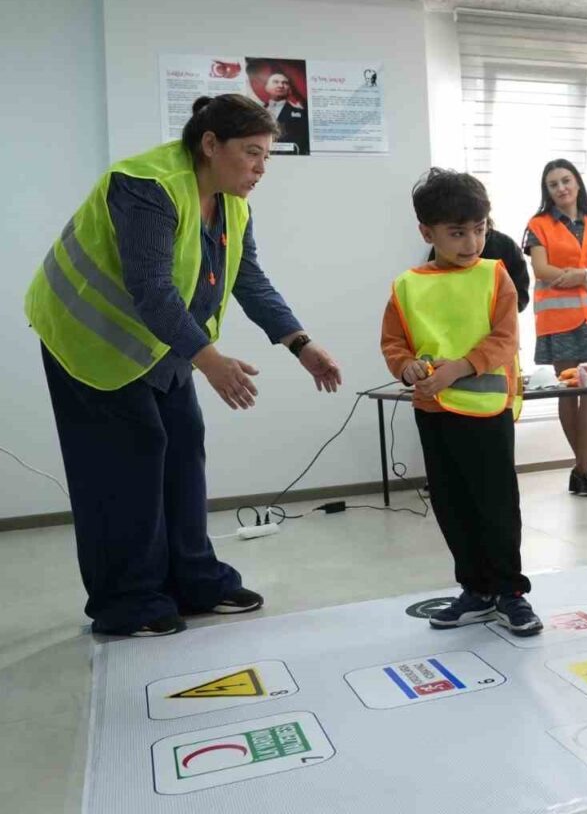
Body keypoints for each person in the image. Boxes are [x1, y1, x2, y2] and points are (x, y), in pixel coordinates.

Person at [25, 94, 342, 637]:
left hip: (162, 345)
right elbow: (151, 289)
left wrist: (299, 342)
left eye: (267, 156)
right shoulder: (145, 186)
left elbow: (248, 279)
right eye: (252, 154)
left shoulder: (233, 202)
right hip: (89, 339)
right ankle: (128, 600)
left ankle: (195, 580)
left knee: (183, 445)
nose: (261, 168)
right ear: (210, 144)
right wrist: (211, 360)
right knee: (126, 463)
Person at [380, 168, 541, 635]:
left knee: (496, 502)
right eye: (457, 233)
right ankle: (476, 590)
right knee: (452, 503)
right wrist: (405, 366)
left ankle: (511, 592)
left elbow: (504, 340)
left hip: (488, 412)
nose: (471, 242)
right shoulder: (407, 285)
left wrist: (458, 367)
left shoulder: (497, 276)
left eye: (479, 229)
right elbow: (395, 344)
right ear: (427, 233)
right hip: (433, 411)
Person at [524, 159, 587, 497]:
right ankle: (584, 468)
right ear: (547, 191)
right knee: (569, 391)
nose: (561, 188)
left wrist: (583, 276)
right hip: (560, 321)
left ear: (577, 183)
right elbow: (541, 269)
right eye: (553, 184)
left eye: (566, 180)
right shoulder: (538, 224)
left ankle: (582, 468)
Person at [430, 216, 530, 312]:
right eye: (458, 233)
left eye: (478, 230)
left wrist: (501, 315)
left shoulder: (506, 246)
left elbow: (520, 294)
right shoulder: (442, 251)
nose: (471, 245)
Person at [258, 71, 309, 155]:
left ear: (289, 89)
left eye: (285, 83)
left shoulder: (302, 114)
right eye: (275, 82)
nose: (280, 85)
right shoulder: (255, 112)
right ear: (266, 87)